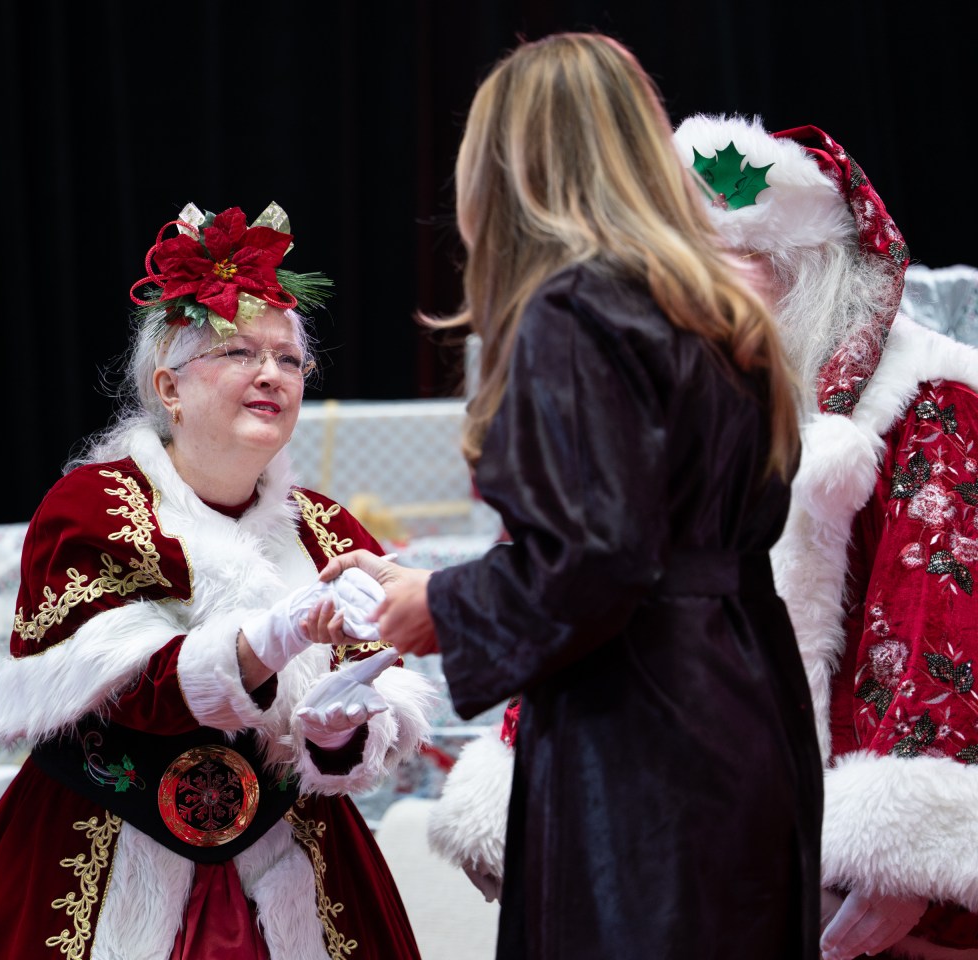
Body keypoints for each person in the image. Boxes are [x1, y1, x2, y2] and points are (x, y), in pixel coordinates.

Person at [322, 33, 824, 960]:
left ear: (511, 171)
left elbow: (598, 560)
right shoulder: (717, 312)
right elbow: (644, 537)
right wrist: (440, 585)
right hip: (745, 704)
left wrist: (437, 605)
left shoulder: (576, 310)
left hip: (645, 739)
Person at [0, 201, 437, 960]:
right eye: (238, 353)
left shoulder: (329, 531)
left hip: (291, 861)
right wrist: (277, 636)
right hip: (105, 847)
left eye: (289, 359)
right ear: (169, 387)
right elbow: (127, 687)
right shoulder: (93, 508)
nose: (271, 374)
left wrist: (338, 734)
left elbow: (372, 727)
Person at [673, 115, 978, 960]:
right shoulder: (699, 422)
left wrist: (904, 860)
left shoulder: (926, 397)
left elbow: (940, 621)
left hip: (856, 875)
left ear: (804, 274)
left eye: (726, 274)